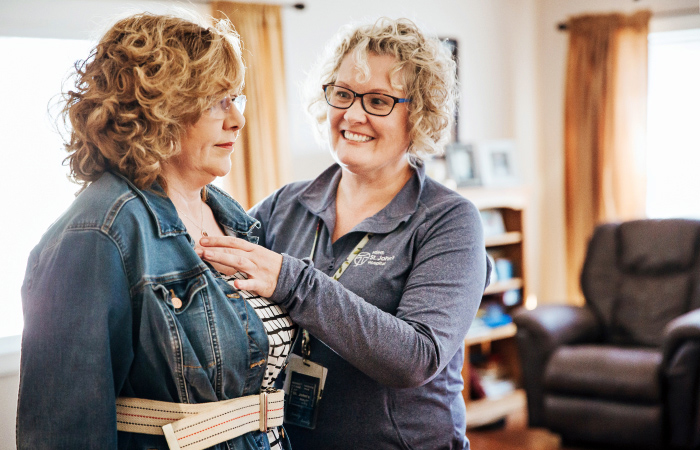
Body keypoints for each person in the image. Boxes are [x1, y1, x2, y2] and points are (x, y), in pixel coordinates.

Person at [197, 17, 490, 450]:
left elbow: (417, 358)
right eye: (343, 94)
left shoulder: (449, 221)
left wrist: (293, 283)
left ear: (420, 113)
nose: (353, 114)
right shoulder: (286, 205)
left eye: (378, 100)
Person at [17, 13, 294, 450]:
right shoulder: (97, 233)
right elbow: (64, 433)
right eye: (215, 100)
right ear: (158, 109)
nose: (238, 119)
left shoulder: (234, 217)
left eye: (235, 97)